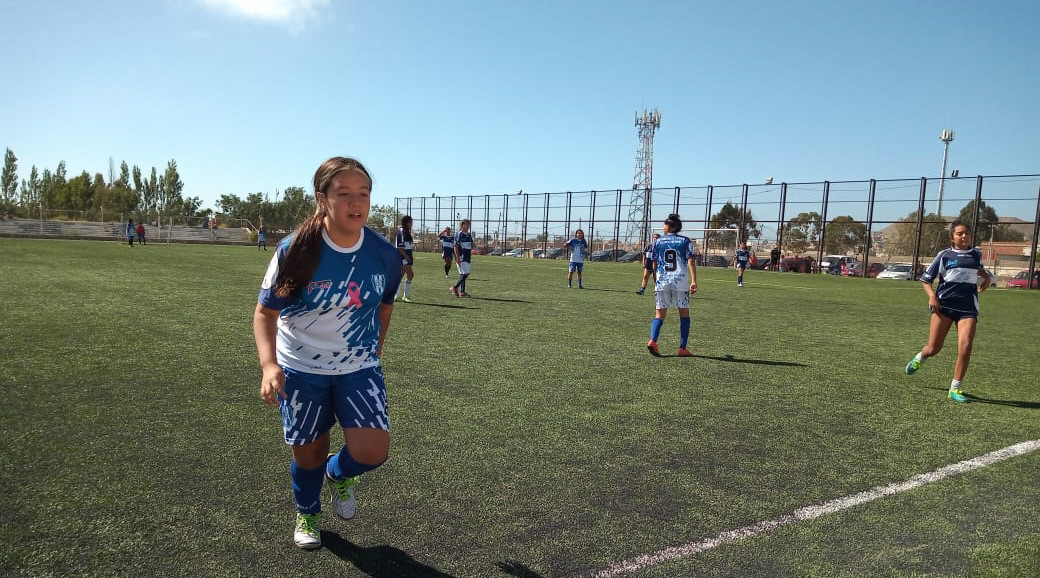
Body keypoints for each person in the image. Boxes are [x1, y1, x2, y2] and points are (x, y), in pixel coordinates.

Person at [252, 157, 402, 550]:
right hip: (301, 368)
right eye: (344, 194)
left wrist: (376, 349)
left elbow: (385, 305)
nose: (357, 203)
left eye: (364, 194)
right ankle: (308, 513)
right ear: (323, 199)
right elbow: (266, 313)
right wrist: (269, 366)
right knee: (309, 455)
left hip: (359, 365)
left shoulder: (384, 255)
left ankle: (340, 474)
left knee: (373, 451)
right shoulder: (297, 251)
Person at [904, 220, 992, 403]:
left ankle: (955, 388)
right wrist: (932, 297)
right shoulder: (944, 255)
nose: (964, 236)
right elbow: (926, 280)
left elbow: (981, 271)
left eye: (967, 233)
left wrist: (986, 279)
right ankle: (921, 356)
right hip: (944, 307)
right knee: (934, 348)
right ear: (952, 237)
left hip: (968, 309)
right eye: (960, 233)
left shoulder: (976, 254)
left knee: (966, 347)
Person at [646, 214, 698, 357]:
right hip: (680, 282)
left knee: (659, 314)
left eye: (664, 224)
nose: (663, 227)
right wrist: (693, 281)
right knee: (684, 314)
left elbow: (654, 262)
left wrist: (656, 278)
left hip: (662, 281)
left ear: (670, 226)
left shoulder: (657, 242)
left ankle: (653, 341)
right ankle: (682, 348)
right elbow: (691, 261)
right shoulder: (685, 241)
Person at [451, 219, 474, 297]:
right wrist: (457, 257)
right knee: (465, 273)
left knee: (463, 274)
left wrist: (478, 248)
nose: (468, 226)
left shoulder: (468, 235)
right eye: (467, 224)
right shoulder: (459, 234)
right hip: (461, 256)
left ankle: (462, 292)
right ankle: (454, 287)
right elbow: (455, 246)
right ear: (462, 225)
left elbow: (471, 245)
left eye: (469, 225)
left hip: (467, 257)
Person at [395, 216, 415, 303]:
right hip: (403, 257)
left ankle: (397, 296)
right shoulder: (401, 231)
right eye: (411, 222)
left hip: (407, 256)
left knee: (400, 276)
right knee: (411, 275)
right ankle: (405, 296)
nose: (412, 224)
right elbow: (399, 247)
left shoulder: (407, 232)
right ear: (407, 222)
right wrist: (406, 257)